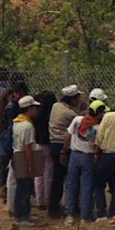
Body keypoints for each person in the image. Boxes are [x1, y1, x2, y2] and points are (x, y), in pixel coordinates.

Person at [63, 99, 104, 223]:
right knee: (86, 186)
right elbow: (98, 146)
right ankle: (84, 216)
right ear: (99, 113)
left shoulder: (77, 120)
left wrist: (63, 151)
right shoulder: (98, 128)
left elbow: (68, 136)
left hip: (74, 155)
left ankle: (69, 215)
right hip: (88, 157)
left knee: (71, 185)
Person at [48, 85, 82, 218]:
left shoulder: (56, 106)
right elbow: (76, 126)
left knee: (56, 178)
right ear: (72, 100)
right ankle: (71, 207)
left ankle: (53, 207)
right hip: (64, 146)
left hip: (53, 143)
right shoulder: (71, 114)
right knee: (69, 179)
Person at [9, 95, 41, 224]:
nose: (36, 110)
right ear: (29, 108)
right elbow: (27, 147)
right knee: (23, 187)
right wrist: (30, 165)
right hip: (23, 156)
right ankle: (20, 215)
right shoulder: (27, 126)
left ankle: (25, 213)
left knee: (24, 186)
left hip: (16, 154)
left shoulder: (17, 122)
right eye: (34, 107)